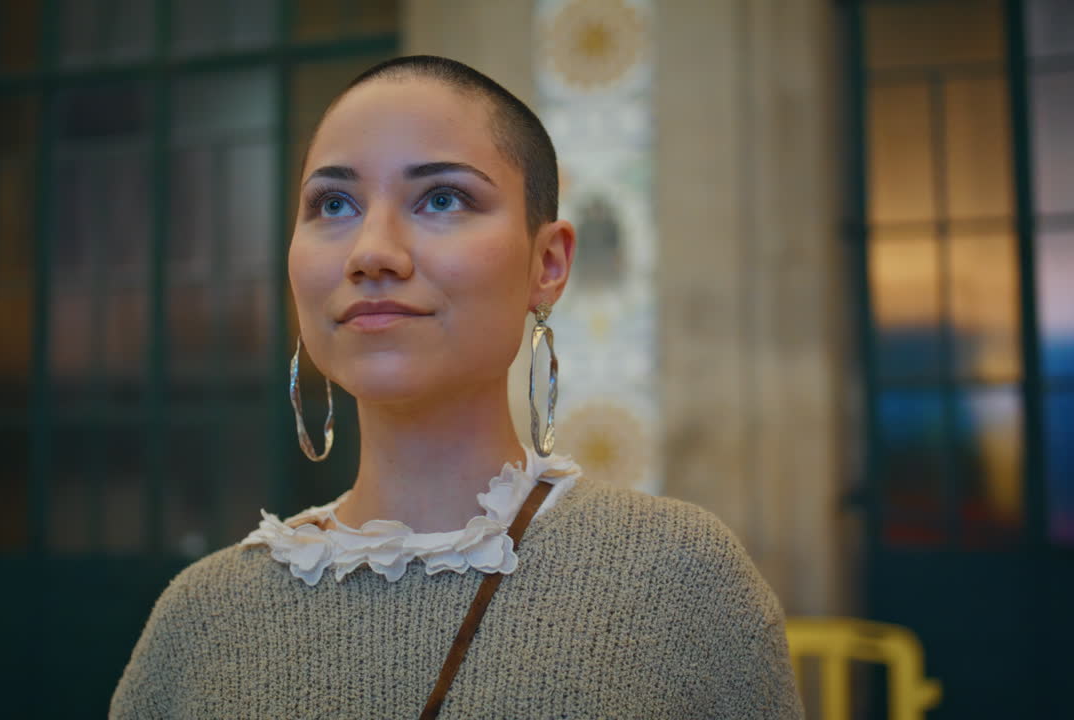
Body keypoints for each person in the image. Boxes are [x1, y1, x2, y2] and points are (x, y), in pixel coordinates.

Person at [110, 54, 802, 719]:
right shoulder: (197, 621)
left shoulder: (679, 581)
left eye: (442, 198)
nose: (372, 252)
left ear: (548, 264)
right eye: (334, 204)